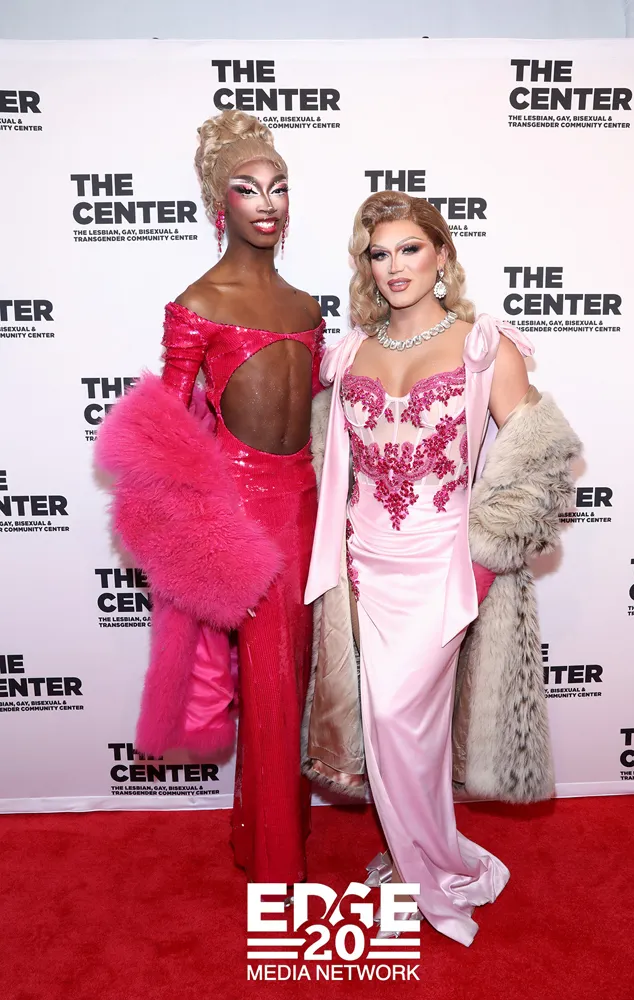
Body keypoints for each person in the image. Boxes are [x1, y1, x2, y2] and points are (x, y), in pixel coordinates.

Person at [301, 191, 581, 945]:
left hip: (443, 567)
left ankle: (435, 868)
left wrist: (485, 557)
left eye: (410, 249)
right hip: (363, 565)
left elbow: (539, 461)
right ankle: (415, 852)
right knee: (391, 726)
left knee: (401, 717)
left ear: (442, 255)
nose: (394, 266)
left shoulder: (484, 346)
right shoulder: (348, 354)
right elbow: (333, 467)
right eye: (378, 253)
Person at [95, 110, 330, 893]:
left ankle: (259, 833)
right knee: (267, 687)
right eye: (247, 188)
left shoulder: (307, 306)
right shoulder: (199, 300)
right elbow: (163, 426)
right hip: (240, 518)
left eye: (278, 187)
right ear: (217, 203)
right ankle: (278, 868)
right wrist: (191, 532)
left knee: (288, 686)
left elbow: (318, 413)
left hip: (306, 507)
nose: (267, 202)